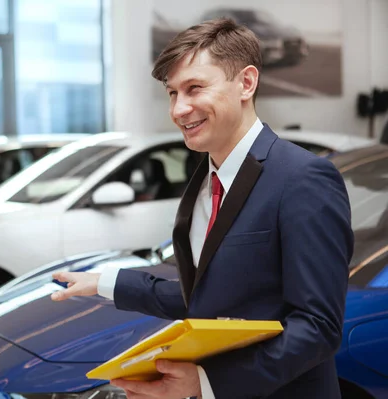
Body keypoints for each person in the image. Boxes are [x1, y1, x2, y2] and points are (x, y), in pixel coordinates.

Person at [51, 18, 353, 399]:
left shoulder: (304, 179)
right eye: (172, 93)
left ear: (246, 83)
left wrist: (206, 383)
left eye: (194, 88)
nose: (179, 109)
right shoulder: (205, 176)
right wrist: (106, 282)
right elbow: (213, 297)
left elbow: (318, 327)